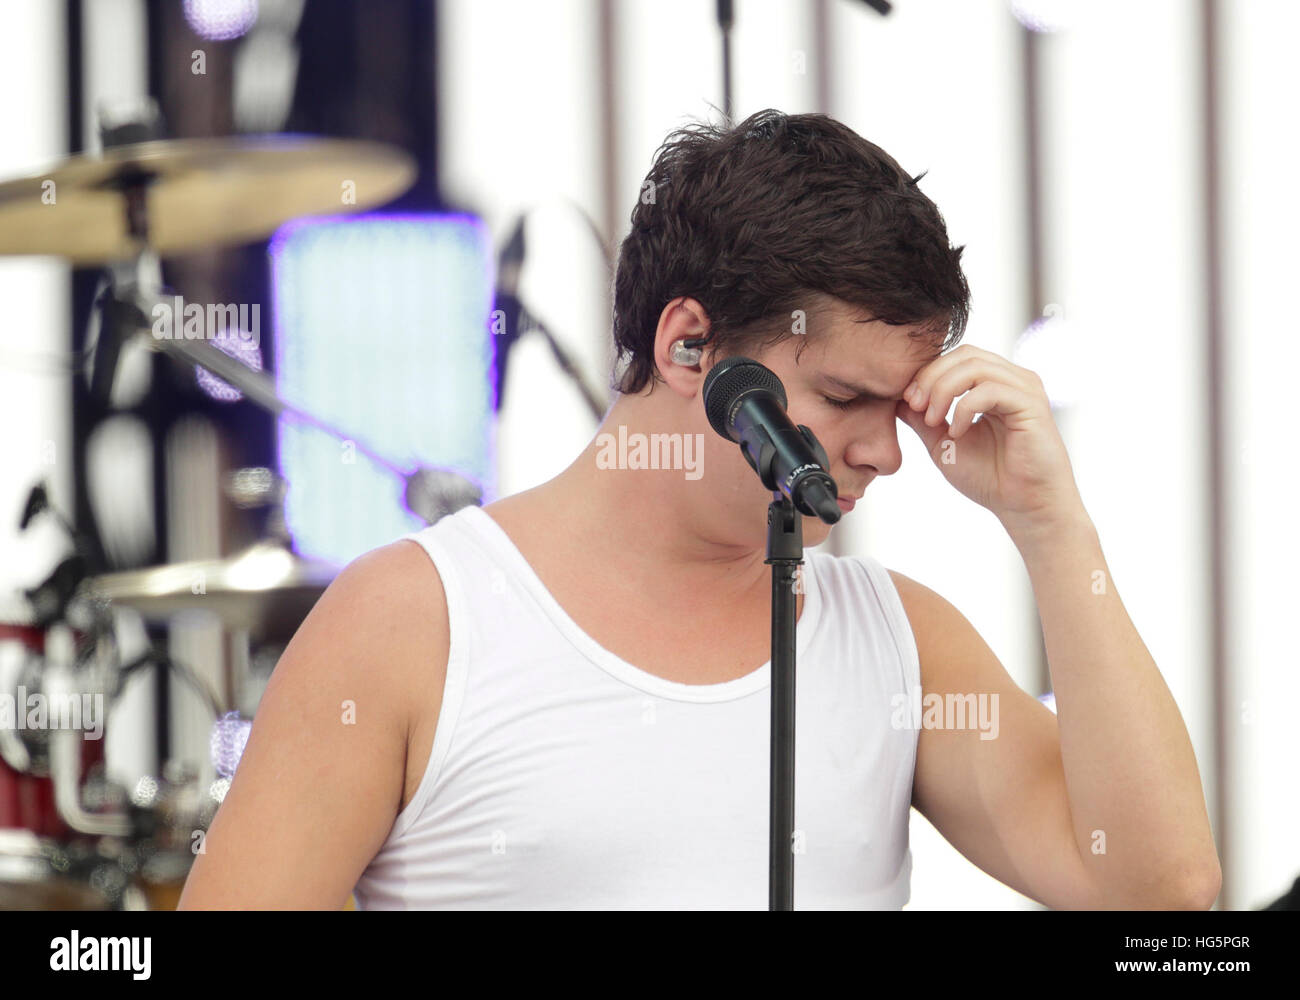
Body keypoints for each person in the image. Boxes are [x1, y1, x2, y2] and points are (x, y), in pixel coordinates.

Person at [178, 109, 1221, 910]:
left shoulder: (904, 640)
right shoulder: (410, 622)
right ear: (689, 347)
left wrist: (1052, 525)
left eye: (897, 405)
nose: (884, 452)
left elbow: (1160, 890)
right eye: (848, 398)